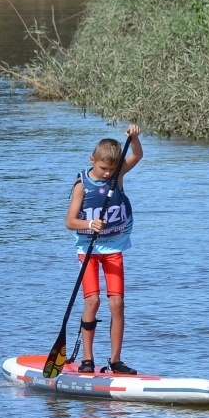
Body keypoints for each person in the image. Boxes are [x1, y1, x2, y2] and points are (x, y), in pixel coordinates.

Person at [65, 125, 142, 374]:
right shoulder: (82, 185)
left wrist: (134, 138)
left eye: (112, 168)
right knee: (93, 301)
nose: (108, 173)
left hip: (113, 248)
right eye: (103, 168)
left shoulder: (117, 176)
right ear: (92, 160)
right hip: (88, 249)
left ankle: (115, 360)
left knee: (117, 304)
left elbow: (137, 155)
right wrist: (89, 224)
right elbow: (69, 222)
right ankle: (87, 359)